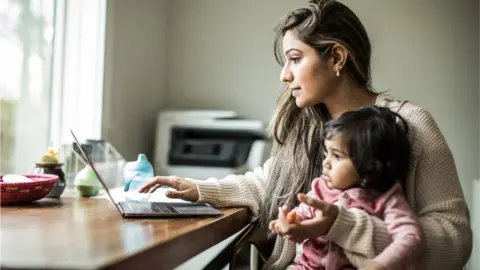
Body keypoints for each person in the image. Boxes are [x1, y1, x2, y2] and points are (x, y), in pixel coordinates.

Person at [139, 0, 472, 269]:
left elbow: (455, 239)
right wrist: (196, 189)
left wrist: (344, 227)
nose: (285, 75)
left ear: (337, 58)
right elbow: (268, 185)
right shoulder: (307, 126)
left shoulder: (409, 125)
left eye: (295, 59)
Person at [269, 106, 424, 270]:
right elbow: (304, 212)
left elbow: (411, 237)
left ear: (372, 167)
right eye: (326, 153)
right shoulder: (322, 187)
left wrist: (378, 265)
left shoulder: (387, 198)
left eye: (336, 156)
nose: (325, 162)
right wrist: (293, 221)